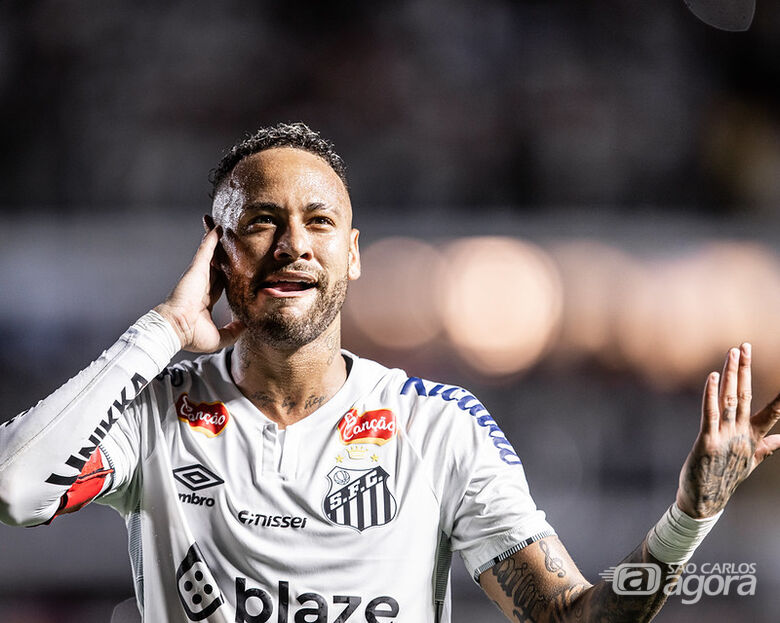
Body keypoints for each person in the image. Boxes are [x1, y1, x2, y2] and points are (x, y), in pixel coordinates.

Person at [0, 122, 778, 623]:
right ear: (217, 251)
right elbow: (13, 487)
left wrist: (690, 517)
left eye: (319, 221)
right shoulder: (155, 416)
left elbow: (575, 619)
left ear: (353, 254)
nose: (293, 244)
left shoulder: (438, 426)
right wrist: (165, 330)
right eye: (262, 221)